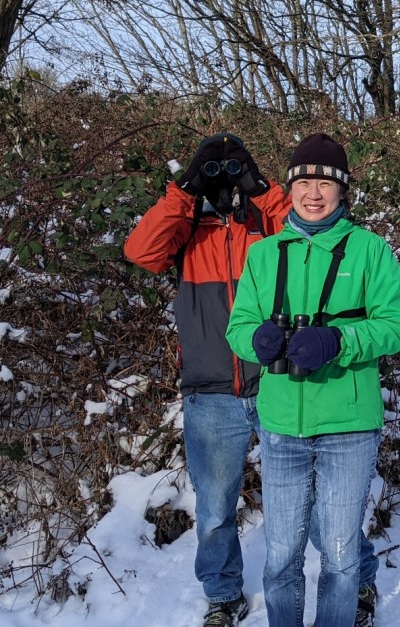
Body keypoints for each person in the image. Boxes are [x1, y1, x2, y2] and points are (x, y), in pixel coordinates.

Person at [225, 132, 400, 627]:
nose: (313, 193)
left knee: (340, 554)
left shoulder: (370, 250)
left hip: (348, 425)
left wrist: (339, 340)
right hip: (281, 425)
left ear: (342, 190)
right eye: (304, 182)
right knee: (281, 555)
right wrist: (258, 340)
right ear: (289, 188)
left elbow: (397, 326)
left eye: (325, 183)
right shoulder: (265, 255)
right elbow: (237, 327)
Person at [124, 133, 291, 627]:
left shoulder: (265, 225)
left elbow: (309, 234)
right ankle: (223, 596)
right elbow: (141, 251)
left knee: (316, 494)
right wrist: (186, 190)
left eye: (232, 174)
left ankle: (349, 579)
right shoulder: (187, 228)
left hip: (277, 381)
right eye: (213, 174)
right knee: (215, 509)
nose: (225, 185)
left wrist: (259, 188)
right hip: (209, 389)